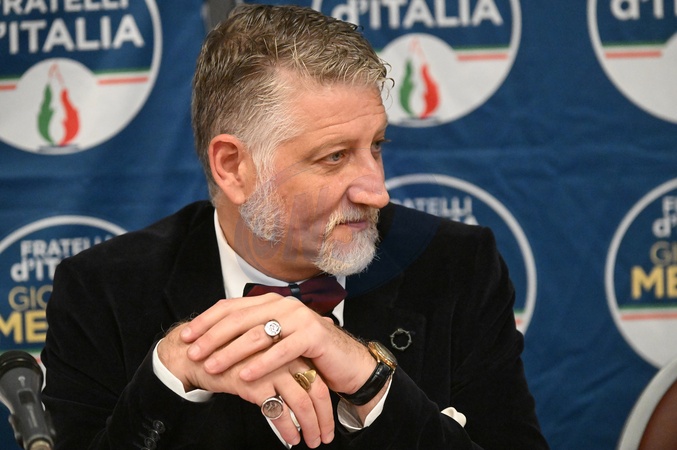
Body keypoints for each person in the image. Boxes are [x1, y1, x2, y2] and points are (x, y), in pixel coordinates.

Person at [41, 4, 549, 449]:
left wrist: (372, 383)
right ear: (233, 167)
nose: (376, 192)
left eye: (376, 146)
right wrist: (169, 378)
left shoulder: (455, 265)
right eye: (334, 157)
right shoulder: (105, 290)